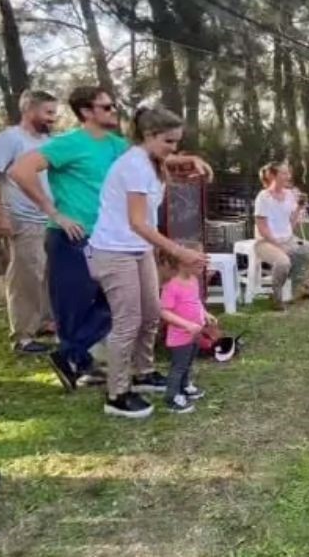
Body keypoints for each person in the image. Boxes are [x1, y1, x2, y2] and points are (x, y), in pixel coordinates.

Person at [11, 87, 209, 393]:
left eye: (114, 105)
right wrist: (55, 213)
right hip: (76, 236)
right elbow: (20, 170)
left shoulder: (119, 146)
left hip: (121, 237)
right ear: (86, 111)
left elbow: (154, 153)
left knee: (120, 305)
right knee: (78, 307)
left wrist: (188, 159)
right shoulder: (69, 144)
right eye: (106, 106)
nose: (114, 110)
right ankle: (79, 362)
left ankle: (79, 359)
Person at [87, 105, 207, 419]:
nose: (173, 148)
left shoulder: (152, 161)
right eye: (168, 141)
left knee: (152, 313)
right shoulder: (134, 166)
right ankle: (117, 393)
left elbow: (169, 161)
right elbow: (138, 222)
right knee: (127, 321)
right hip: (115, 250)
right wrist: (178, 252)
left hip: (138, 249)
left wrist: (191, 160)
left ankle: (144, 372)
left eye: (177, 141)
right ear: (148, 135)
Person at [0, 90, 58, 355]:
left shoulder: (49, 141)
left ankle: (44, 323)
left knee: (47, 273)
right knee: (26, 275)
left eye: (54, 113)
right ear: (29, 110)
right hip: (23, 217)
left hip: (50, 218)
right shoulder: (9, 139)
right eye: (48, 112)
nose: (53, 118)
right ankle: (22, 336)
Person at [254, 162, 309, 311]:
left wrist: (299, 207)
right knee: (283, 262)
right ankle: (277, 297)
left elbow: (291, 224)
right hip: (266, 242)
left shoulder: (289, 195)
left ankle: (298, 287)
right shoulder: (263, 197)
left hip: (289, 239)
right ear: (272, 176)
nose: (289, 176)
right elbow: (262, 227)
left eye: (288, 173)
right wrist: (278, 245)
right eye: (284, 173)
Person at [157, 241, 219, 415]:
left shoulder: (193, 280)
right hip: (180, 337)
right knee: (178, 367)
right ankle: (172, 397)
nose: (202, 263)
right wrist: (186, 325)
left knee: (188, 363)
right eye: (197, 259)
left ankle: (184, 387)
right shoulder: (171, 286)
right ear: (181, 261)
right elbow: (164, 312)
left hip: (195, 334)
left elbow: (195, 301)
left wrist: (205, 314)